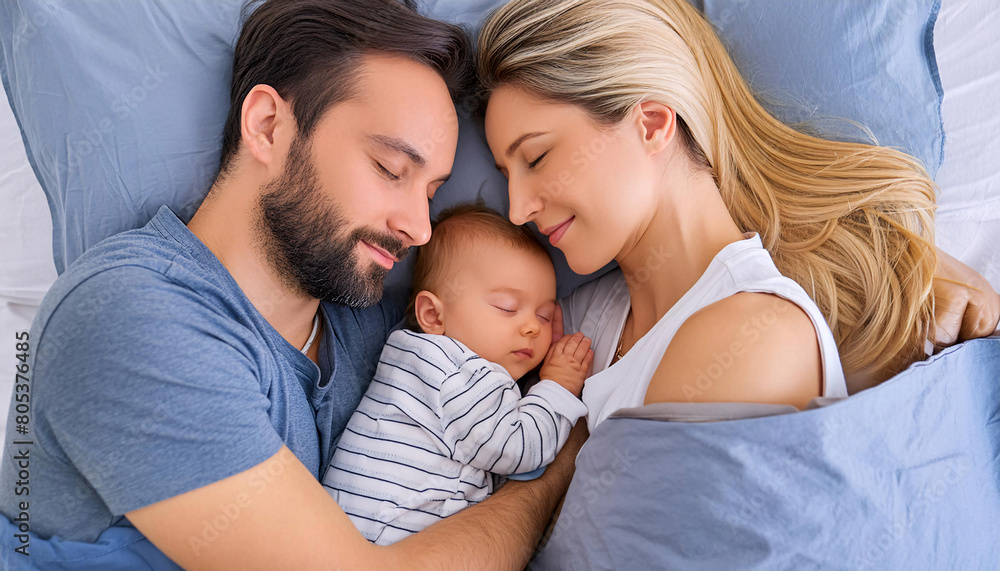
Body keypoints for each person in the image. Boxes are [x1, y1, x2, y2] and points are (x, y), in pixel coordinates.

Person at [0, 1, 584, 569]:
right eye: (389, 169)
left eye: (430, 192)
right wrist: (554, 474)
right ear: (268, 126)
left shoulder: (365, 318)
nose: (419, 227)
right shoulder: (130, 316)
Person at [475, 0, 1000, 428]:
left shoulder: (753, 337)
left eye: (537, 158)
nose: (518, 209)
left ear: (653, 124)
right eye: (505, 175)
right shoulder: (577, 320)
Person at [324, 204, 592, 545]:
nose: (531, 328)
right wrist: (558, 386)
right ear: (433, 316)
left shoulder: (416, 360)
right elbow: (517, 450)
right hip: (388, 541)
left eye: (544, 315)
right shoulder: (456, 373)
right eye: (507, 307)